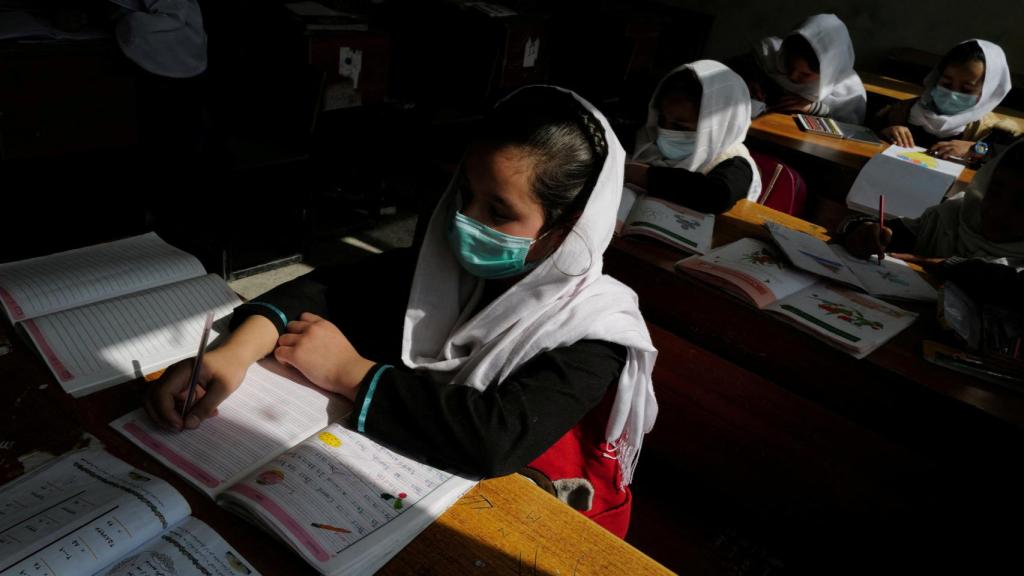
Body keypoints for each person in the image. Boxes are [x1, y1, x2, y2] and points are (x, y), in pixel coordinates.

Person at [145, 85, 659, 538]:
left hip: (532, 515)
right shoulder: (447, 269)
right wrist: (234, 352)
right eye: (465, 193)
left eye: (498, 211)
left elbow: (492, 440)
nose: (465, 219)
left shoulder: (597, 331)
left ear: (569, 229)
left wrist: (351, 373)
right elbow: (327, 288)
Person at [840, 140, 1024, 311]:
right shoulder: (957, 215)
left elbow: (1007, 287)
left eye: (1021, 204)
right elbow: (899, 233)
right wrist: (864, 230)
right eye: (994, 192)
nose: (997, 211)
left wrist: (949, 267)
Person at [626, 60, 761, 214]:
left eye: (680, 127)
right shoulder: (647, 138)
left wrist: (640, 174)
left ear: (719, 127)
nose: (665, 131)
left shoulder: (734, 162)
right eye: (662, 119)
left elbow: (716, 196)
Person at [873, 40, 1022, 161]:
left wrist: (976, 149)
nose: (952, 93)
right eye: (946, 84)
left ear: (988, 93)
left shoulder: (989, 130)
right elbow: (868, 130)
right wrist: (886, 131)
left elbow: (1006, 156)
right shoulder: (902, 111)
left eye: (966, 90)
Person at [738, 13, 866, 124]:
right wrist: (747, 79)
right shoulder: (770, 57)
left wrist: (815, 109)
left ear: (829, 72)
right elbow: (737, 68)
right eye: (789, 65)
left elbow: (849, 129)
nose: (792, 76)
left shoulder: (847, 92)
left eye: (805, 74)